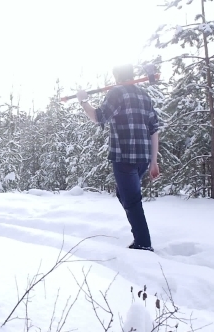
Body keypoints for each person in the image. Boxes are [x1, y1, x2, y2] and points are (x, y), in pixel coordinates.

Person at [76, 64, 160, 252]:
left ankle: (143, 243)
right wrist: (153, 160)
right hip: (143, 158)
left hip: (124, 157)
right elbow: (154, 129)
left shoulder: (116, 93)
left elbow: (98, 117)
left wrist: (83, 101)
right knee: (125, 194)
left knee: (131, 200)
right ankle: (140, 237)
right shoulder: (144, 96)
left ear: (116, 77)